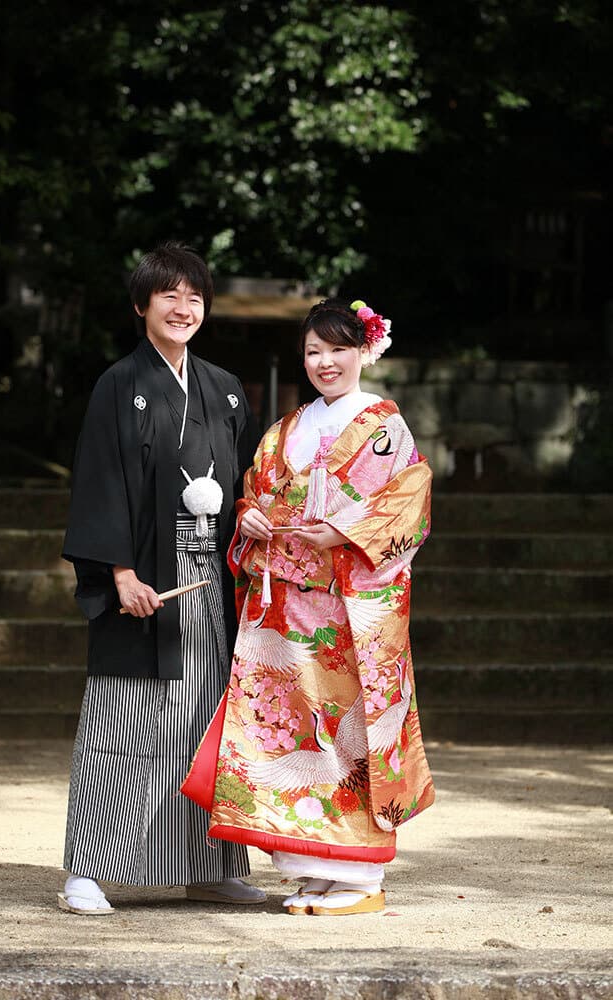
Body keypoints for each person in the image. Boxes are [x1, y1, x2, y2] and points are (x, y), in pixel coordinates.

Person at [183, 297, 434, 916]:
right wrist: (254, 518)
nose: (325, 362)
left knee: (345, 738)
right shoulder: (286, 430)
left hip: (348, 612)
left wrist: (344, 534)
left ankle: (359, 880)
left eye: (338, 350)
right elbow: (252, 493)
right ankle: (312, 870)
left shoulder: (383, 426)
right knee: (289, 736)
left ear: (363, 351)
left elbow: (409, 502)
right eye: (313, 351)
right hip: (284, 609)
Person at [58, 242, 264, 914]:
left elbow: (252, 481)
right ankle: (88, 869)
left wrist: (257, 515)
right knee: (124, 724)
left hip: (215, 583)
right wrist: (117, 572)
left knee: (208, 721)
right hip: (147, 576)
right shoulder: (121, 384)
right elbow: (101, 481)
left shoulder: (226, 388)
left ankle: (209, 865)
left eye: (194, 296)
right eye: (169, 295)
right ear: (142, 305)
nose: (183, 307)